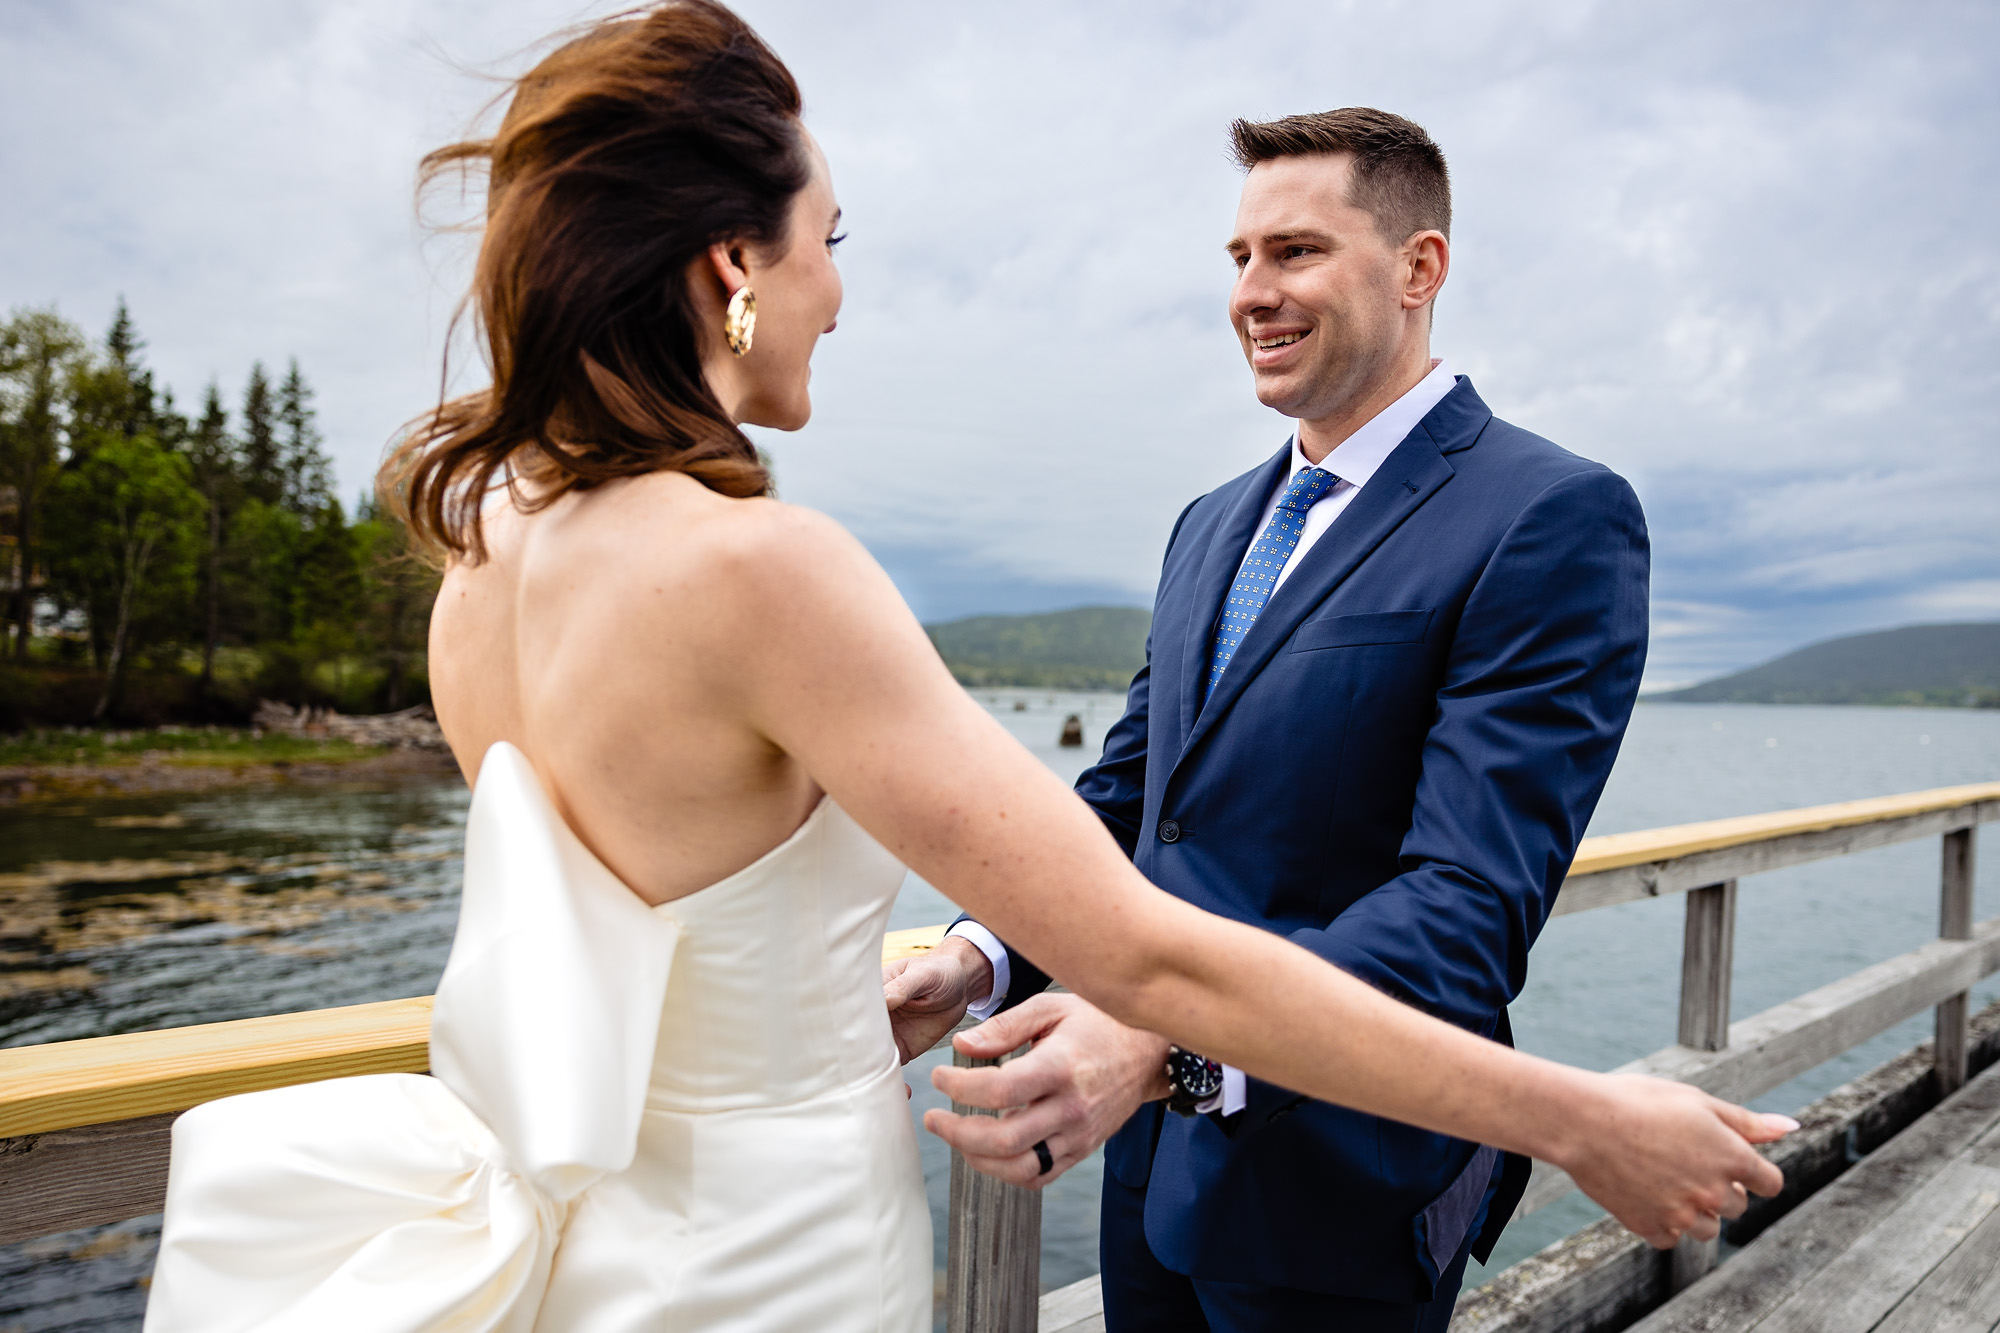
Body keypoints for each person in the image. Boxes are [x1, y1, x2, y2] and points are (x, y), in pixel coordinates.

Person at [143, 10, 1790, 1332]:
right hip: (772, 1248)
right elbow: (1148, 920)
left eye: (1292, 251)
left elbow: (1442, 885)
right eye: (828, 239)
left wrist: (978, 961)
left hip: (633, 1243)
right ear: (733, 265)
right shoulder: (762, 565)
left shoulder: (478, 572)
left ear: (1421, 266)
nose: (840, 292)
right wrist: (1580, 1114)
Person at [894, 109, 1665, 1331]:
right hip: (1149, 1179)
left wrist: (1161, 1036)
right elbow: (1133, 804)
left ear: (1419, 269)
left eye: (1295, 252)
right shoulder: (1209, 522)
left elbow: (1463, 907)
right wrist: (979, 955)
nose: (1253, 292)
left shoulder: (1549, 515)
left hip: (1343, 1191)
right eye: (1239, 258)